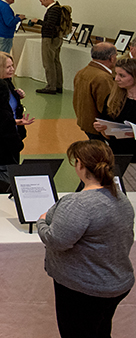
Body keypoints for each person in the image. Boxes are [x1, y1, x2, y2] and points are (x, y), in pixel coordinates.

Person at [37, 140, 134, 338]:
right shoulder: (120, 197)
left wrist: (41, 222)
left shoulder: (78, 204)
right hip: (114, 285)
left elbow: (56, 239)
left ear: (80, 164)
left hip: (84, 290)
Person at [92, 57, 136, 192]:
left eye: (122, 76)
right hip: (118, 156)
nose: (116, 79)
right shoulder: (113, 99)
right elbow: (108, 133)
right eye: (116, 74)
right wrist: (103, 129)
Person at [74, 43, 118, 140]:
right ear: (112, 58)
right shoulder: (103, 78)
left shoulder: (82, 72)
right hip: (99, 128)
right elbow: (108, 106)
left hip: (86, 122)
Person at [34, 0, 65, 94]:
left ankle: (51, 86)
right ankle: (58, 85)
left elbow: (49, 25)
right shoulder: (59, 8)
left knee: (48, 62)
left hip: (50, 38)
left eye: (42, 1)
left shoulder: (53, 10)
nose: (42, 4)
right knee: (56, 61)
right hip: (57, 38)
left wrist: (38, 21)